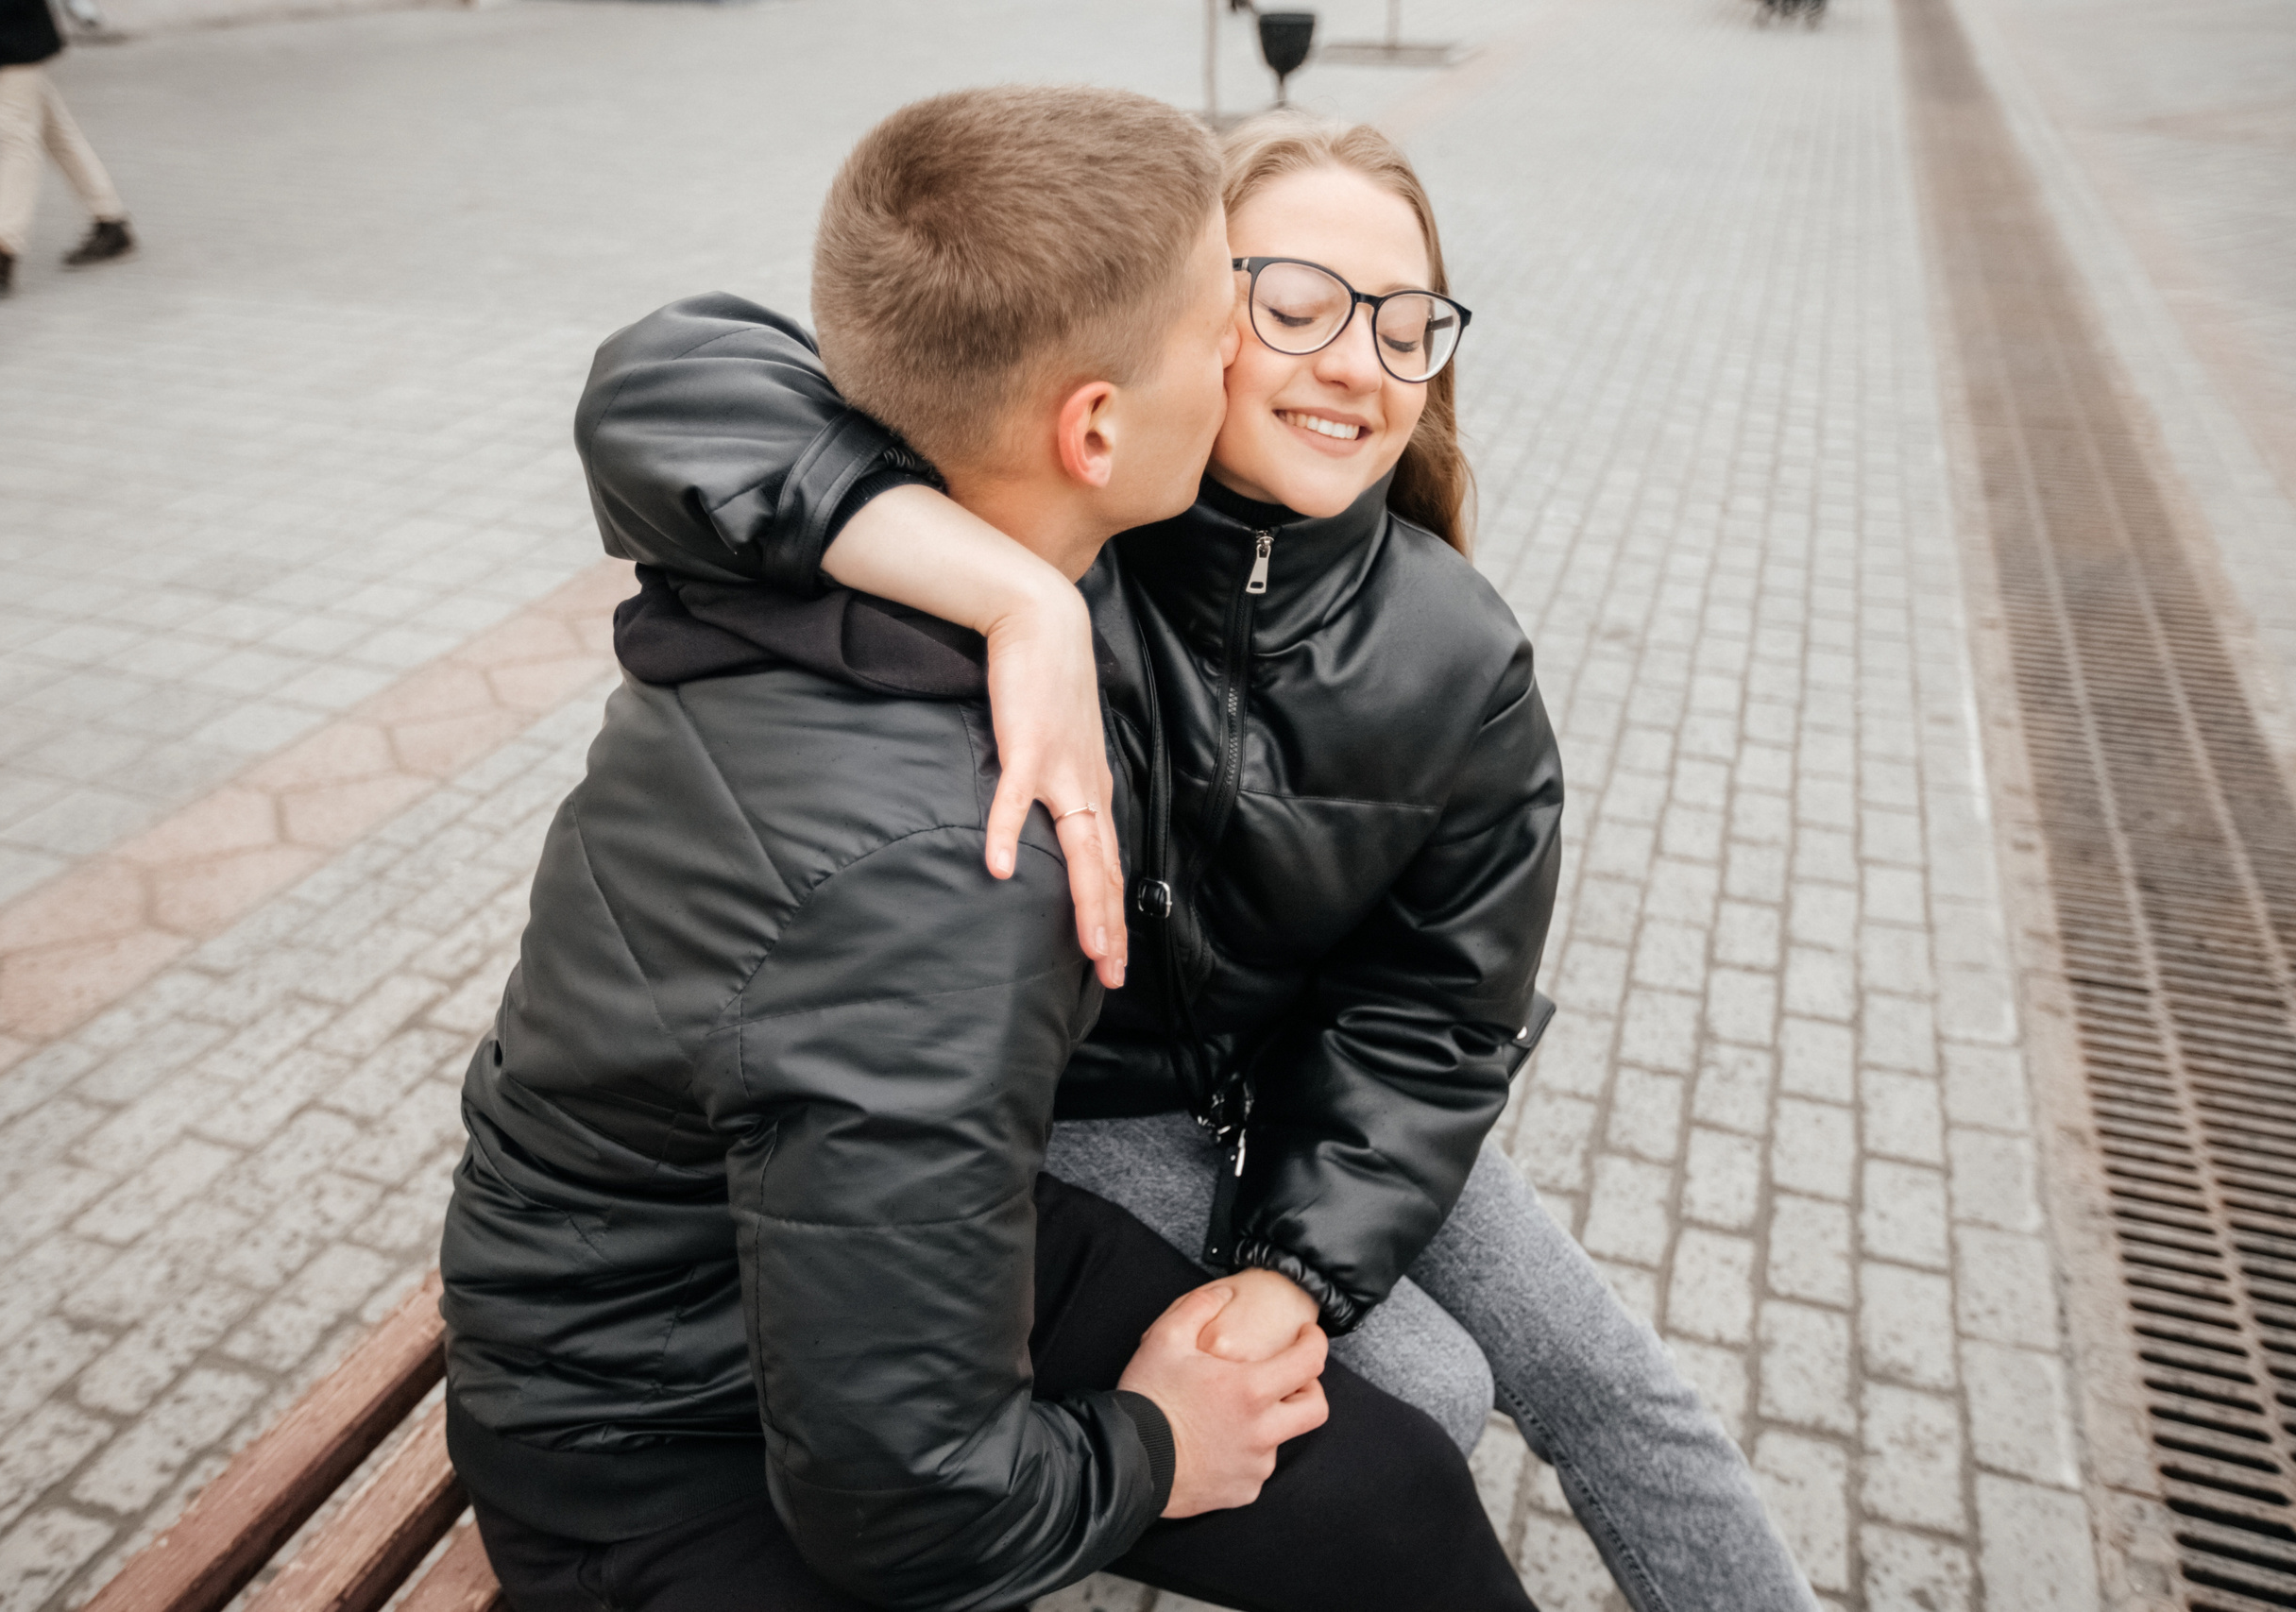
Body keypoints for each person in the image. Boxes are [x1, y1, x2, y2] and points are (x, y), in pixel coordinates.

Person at [597, 111, 1822, 1612]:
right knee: (1427, 1386)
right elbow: (683, 385)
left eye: (1408, 324)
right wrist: (1003, 593)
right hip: (1088, 1109)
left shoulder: (1458, 653)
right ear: (1189, 314)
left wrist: (1298, 1266)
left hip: (1316, 1093)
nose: (1359, 362)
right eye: (1297, 304)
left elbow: (1433, 1016)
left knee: (1610, 1380)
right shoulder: (1069, 519)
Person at [438, 87, 1539, 1612]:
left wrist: (1021, 599)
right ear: (1096, 425)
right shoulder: (961, 856)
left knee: (1393, 1476)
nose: (1261, 355)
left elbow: (689, 366)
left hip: (834, 1239)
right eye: (1226, 316)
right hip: (655, 1439)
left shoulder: (864, 540)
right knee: (1369, 1439)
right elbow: (904, 1512)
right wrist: (1155, 1443)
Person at [0, 0, 131, 291]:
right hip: (1, 34)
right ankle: (110, 220)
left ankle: (0, 245)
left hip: (13, 31)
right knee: (55, 131)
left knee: (14, 133)